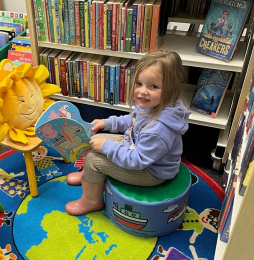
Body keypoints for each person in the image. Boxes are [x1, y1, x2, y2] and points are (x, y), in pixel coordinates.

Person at [65, 50, 190, 216]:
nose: (142, 91)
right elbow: (132, 119)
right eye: (139, 83)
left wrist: (107, 147)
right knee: (95, 139)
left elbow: (137, 161)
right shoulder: (153, 104)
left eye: (153, 86)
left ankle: (92, 200)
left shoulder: (158, 130)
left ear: (170, 89)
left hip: (151, 172)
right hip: (136, 148)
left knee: (94, 159)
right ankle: (88, 174)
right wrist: (106, 123)